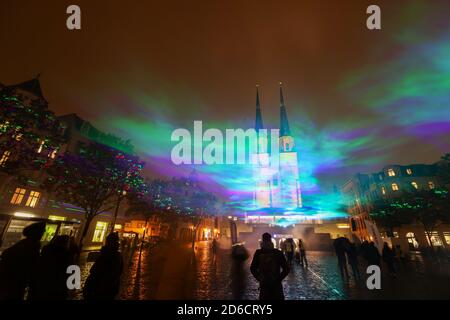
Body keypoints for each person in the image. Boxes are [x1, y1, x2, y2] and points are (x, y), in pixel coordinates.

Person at [0, 222, 46, 300]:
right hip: (16, 280)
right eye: (42, 232)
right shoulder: (32, 245)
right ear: (36, 233)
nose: (42, 235)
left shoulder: (25, 243)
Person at [28, 235, 73, 300]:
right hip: (56, 287)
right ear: (65, 243)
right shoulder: (66, 255)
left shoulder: (45, 251)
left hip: (40, 285)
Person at [83, 232, 124, 300]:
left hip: (100, 290)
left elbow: (96, 271)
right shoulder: (116, 255)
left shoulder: (109, 254)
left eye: (108, 241)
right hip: (108, 290)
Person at [250, 233, 290, 300]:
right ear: (271, 240)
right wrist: (278, 279)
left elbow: (253, 268)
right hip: (276, 285)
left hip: (264, 284)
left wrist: (259, 278)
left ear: (262, 241)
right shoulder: (278, 253)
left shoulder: (258, 253)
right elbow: (286, 269)